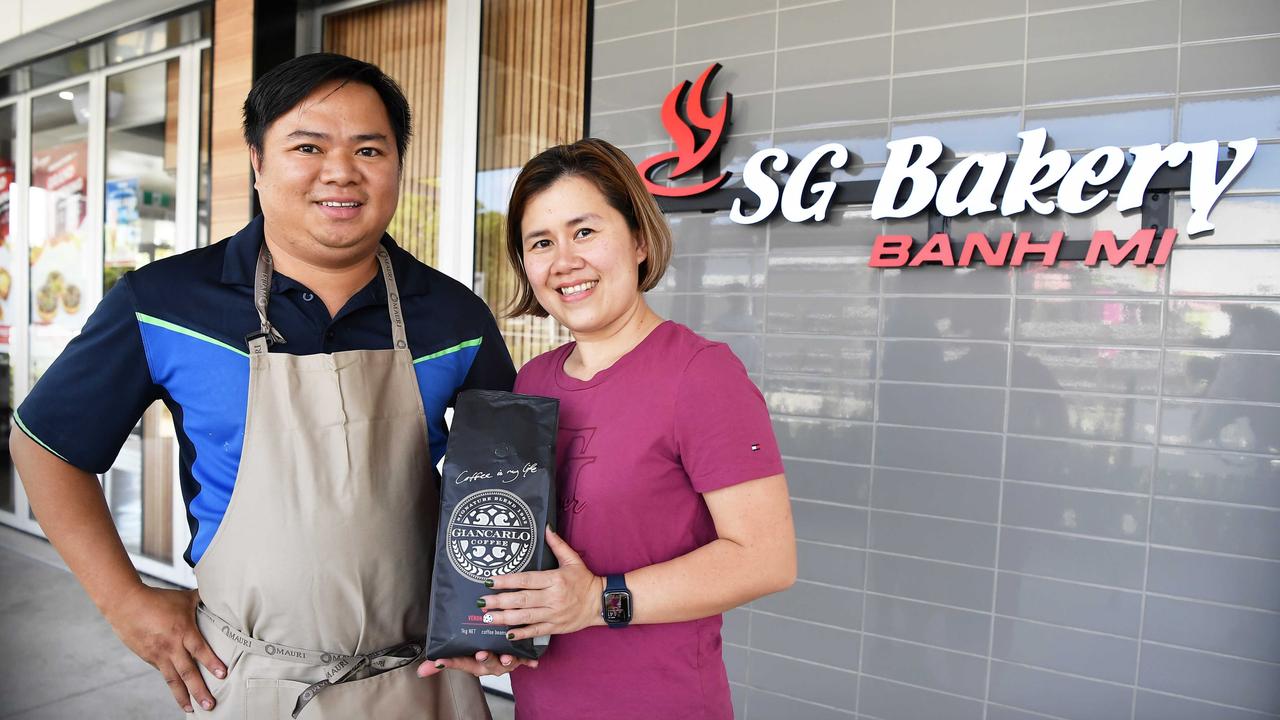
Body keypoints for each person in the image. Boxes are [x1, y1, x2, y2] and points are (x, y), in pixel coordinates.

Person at [10, 53, 526, 718]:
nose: (341, 170)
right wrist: (125, 602)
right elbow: (45, 447)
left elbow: (510, 479)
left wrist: (499, 612)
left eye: (370, 148)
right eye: (307, 146)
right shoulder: (166, 302)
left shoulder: (455, 316)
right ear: (256, 160)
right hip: (250, 681)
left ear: (397, 165)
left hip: (426, 681)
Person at [422, 138, 796, 718]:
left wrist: (600, 600)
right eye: (541, 242)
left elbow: (766, 558)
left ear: (640, 240)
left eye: (585, 232)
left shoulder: (700, 374)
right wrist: (490, 634)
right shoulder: (533, 384)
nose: (564, 260)